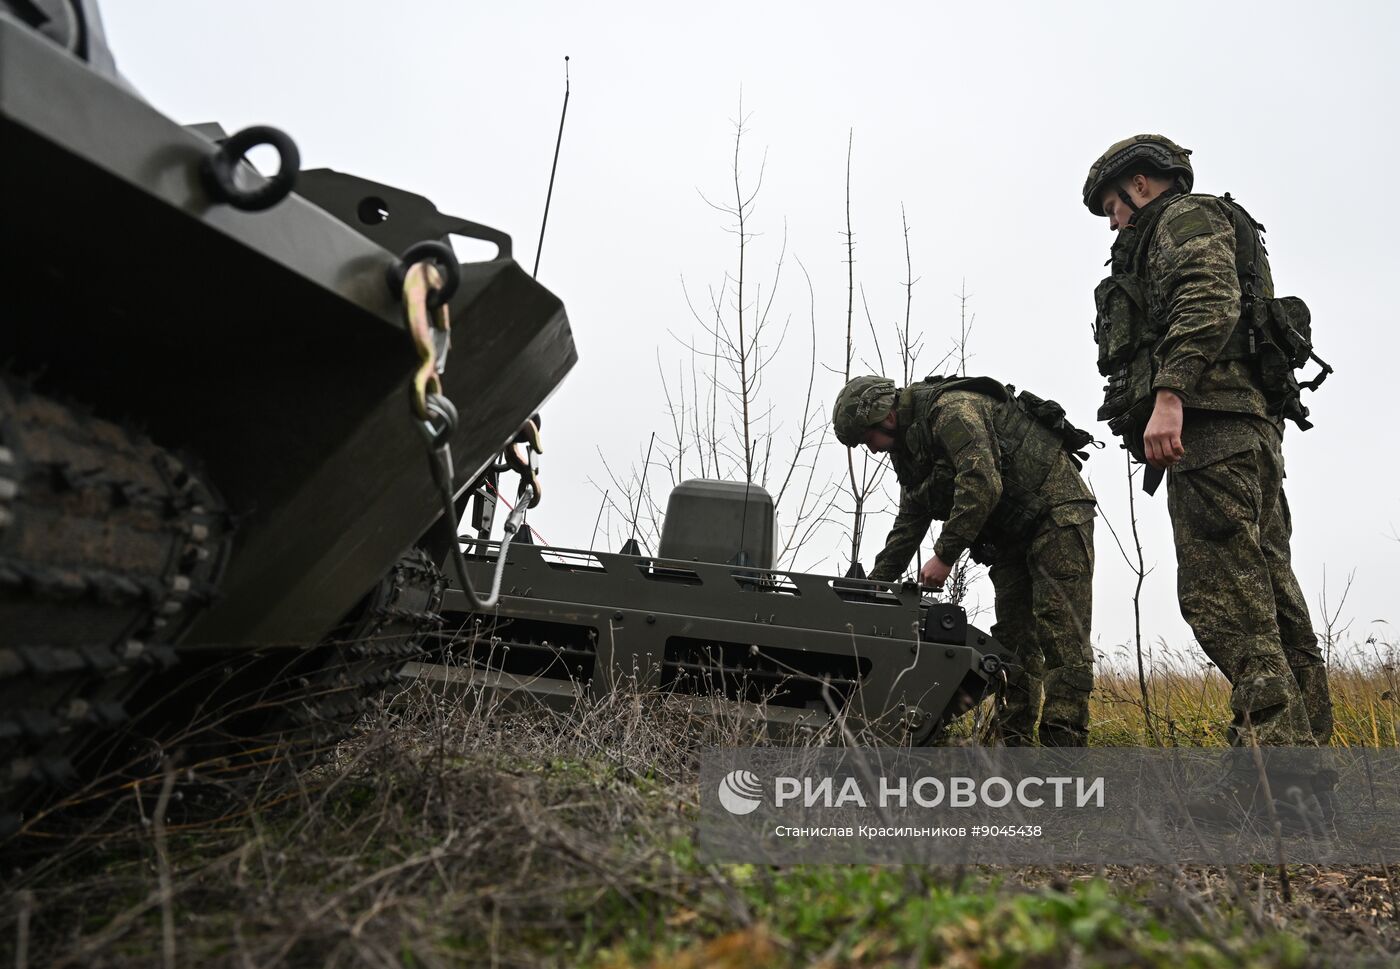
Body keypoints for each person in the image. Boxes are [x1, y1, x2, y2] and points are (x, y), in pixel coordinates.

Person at [1082, 134, 1332, 748]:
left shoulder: (1183, 218)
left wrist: (1168, 397)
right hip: (1246, 429)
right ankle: (1300, 765)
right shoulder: (1208, 221)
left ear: (1140, 184)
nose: (1113, 221)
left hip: (1211, 429)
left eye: (1113, 206)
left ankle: (1279, 772)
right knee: (1267, 592)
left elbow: (1207, 300)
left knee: (1224, 599)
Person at [832, 374, 1097, 746]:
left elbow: (982, 482)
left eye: (867, 439)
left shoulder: (951, 411)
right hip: (1010, 534)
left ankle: (1064, 758)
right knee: (1014, 643)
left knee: (1060, 634)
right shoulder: (909, 450)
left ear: (886, 418)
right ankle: (1014, 749)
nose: (871, 449)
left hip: (1057, 513)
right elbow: (909, 522)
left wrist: (944, 556)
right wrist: (873, 589)